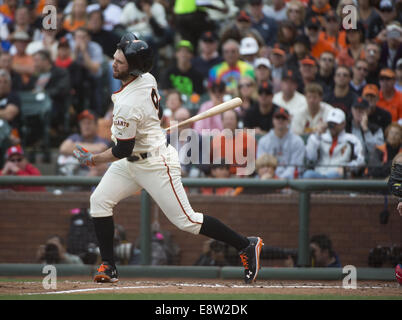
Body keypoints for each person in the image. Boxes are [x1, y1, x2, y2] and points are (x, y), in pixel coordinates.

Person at [72, 32, 264, 284]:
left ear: (133, 69)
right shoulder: (147, 78)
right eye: (115, 58)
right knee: (99, 200)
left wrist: (92, 160)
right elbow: (157, 114)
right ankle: (109, 266)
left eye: (119, 61)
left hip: (154, 163)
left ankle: (246, 245)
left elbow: (121, 150)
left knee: (187, 221)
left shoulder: (127, 105)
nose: (114, 64)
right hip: (134, 161)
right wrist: (148, 126)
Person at [303, 108, 365, 179]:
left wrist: (347, 168)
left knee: (334, 175)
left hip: (339, 174)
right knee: (307, 174)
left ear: (343, 124)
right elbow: (310, 157)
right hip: (319, 173)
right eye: (330, 124)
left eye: (335, 124)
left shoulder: (352, 139)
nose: (332, 127)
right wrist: (317, 135)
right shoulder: (320, 137)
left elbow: (361, 161)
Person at [28, 50, 71, 136]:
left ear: (46, 61)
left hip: (55, 105)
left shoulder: (60, 72)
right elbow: (28, 91)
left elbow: (62, 90)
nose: (35, 64)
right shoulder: (35, 76)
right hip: (34, 105)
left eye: (37, 61)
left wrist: (44, 93)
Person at [58, 109, 109, 178]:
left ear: (96, 126)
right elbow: (63, 148)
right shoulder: (74, 137)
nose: (86, 126)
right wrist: (92, 149)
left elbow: (101, 148)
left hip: (93, 176)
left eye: (89, 123)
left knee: (98, 169)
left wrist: (74, 146)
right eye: (83, 123)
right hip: (73, 175)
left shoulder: (102, 140)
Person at [257, 107, 305, 179]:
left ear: (288, 121)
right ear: (273, 120)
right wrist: (273, 177)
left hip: (290, 179)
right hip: (268, 177)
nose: (280, 120)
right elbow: (261, 165)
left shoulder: (297, 141)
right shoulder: (264, 141)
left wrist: (280, 179)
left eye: (283, 118)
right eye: (277, 117)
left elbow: (296, 166)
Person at [346, 97, 384, 165]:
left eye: (362, 109)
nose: (358, 112)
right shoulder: (346, 127)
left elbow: (376, 151)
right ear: (352, 110)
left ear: (368, 111)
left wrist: (366, 130)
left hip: (369, 166)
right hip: (347, 165)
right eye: (356, 109)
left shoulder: (376, 129)